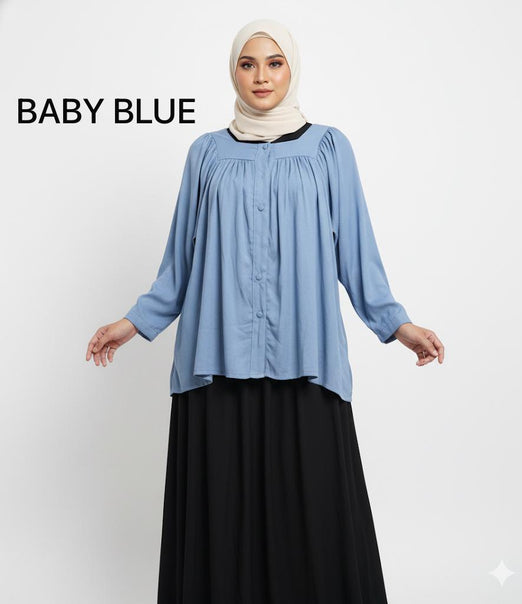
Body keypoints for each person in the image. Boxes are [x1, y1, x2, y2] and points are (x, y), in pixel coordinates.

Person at [86, 18, 444, 604]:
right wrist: (131, 325)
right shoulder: (206, 154)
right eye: (248, 64)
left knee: (315, 516)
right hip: (216, 361)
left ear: (292, 69)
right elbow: (180, 261)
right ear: (233, 72)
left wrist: (397, 325)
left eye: (274, 63)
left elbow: (355, 251)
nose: (261, 76)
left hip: (306, 357)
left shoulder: (329, 148)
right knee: (221, 519)